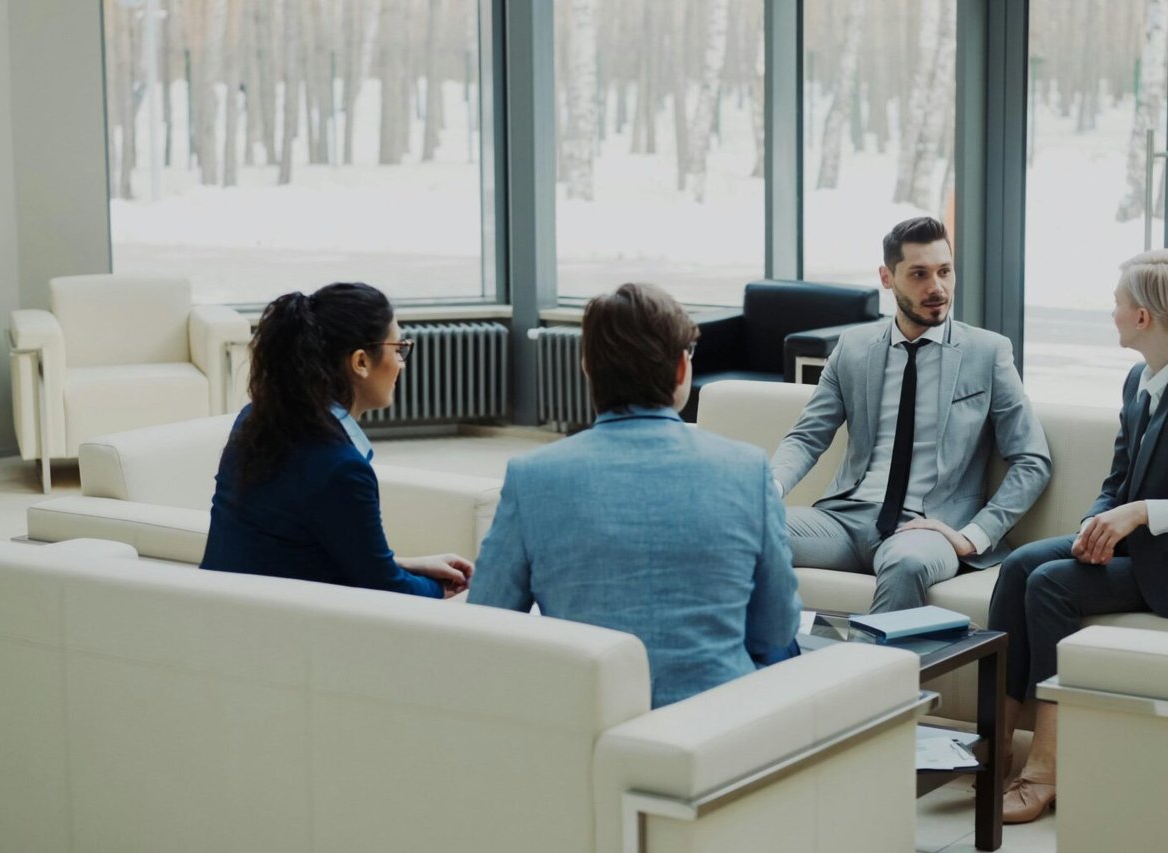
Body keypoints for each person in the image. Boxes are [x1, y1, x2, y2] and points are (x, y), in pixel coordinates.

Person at [987, 248, 1168, 823]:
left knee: (1051, 585)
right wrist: (1097, 520)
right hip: (1128, 548)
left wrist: (1139, 515)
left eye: (1117, 303)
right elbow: (1117, 478)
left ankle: (1047, 768)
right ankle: (996, 749)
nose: (1111, 313)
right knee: (1016, 568)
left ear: (1143, 318)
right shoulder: (1141, 375)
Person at [470, 282, 801, 708]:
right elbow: (775, 629)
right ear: (682, 371)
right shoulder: (747, 470)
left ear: (587, 367)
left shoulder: (531, 476)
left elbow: (488, 622)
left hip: (589, 725)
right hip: (719, 730)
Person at [773, 216, 1051, 613]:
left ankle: (878, 674)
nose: (936, 288)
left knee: (907, 563)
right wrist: (770, 489)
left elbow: (1032, 459)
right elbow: (806, 437)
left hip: (929, 527)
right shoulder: (853, 349)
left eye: (944, 272)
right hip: (845, 519)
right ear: (887, 278)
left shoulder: (987, 353)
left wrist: (975, 535)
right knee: (750, 527)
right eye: (919, 274)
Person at [201, 282, 473, 598]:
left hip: (222, 615)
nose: (401, 362)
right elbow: (386, 589)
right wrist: (447, 589)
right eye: (397, 348)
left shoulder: (255, 419)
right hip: (288, 631)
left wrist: (411, 565)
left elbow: (292, 549)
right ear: (360, 362)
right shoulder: (341, 468)